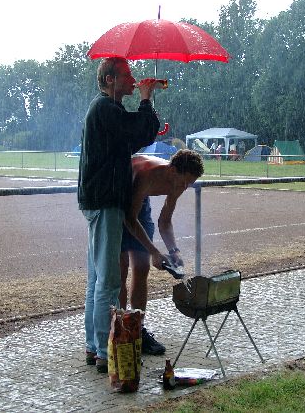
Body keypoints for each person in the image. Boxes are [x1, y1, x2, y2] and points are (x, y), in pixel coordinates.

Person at [78, 57, 162, 373]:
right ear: (110, 80)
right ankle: (105, 350)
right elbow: (140, 131)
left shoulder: (105, 109)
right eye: (127, 75)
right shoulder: (105, 108)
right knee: (109, 281)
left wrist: (146, 117)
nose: (133, 79)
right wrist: (146, 99)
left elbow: (137, 134)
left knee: (97, 279)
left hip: (99, 200)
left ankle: (94, 346)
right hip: (105, 202)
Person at [118, 149, 205, 355]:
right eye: (185, 182)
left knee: (142, 268)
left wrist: (174, 250)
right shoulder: (147, 174)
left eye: (190, 183)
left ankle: (137, 329)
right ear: (173, 171)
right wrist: (154, 251)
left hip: (140, 203)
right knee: (120, 270)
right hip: (119, 198)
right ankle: (120, 329)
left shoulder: (179, 182)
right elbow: (129, 219)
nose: (185, 187)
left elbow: (164, 221)